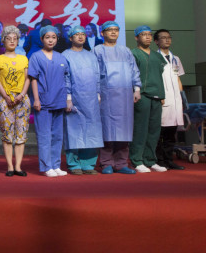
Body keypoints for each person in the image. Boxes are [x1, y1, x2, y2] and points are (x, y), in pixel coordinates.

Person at [94, 21, 141, 174]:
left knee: (124, 130)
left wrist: (137, 88)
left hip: (125, 94)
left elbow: (134, 70)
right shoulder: (97, 50)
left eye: (116, 30)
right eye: (110, 30)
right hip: (106, 94)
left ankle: (121, 163)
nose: (113, 32)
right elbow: (95, 73)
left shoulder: (125, 51)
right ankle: (106, 163)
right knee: (107, 130)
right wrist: (97, 92)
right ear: (102, 33)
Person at [62, 26, 103, 175]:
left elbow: (97, 75)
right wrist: (68, 97)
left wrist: (97, 92)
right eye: (76, 34)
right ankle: (73, 164)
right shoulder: (65, 55)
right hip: (74, 97)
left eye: (82, 34)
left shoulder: (91, 56)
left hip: (91, 98)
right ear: (70, 38)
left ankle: (88, 164)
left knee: (92, 129)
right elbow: (65, 78)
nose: (80, 37)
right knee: (73, 131)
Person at [28, 26, 69, 177]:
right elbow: (33, 78)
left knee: (58, 136)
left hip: (59, 100)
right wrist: (36, 99)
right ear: (41, 39)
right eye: (47, 37)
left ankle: (56, 165)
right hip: (43, 101)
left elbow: (66, 78)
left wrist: (67, 99)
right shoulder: (36, 57)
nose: (50, 40)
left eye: (53, 37)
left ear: (57, 39)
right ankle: (46, 166)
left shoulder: (61, 57)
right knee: (44, 135)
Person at [0, 25, 31, 177]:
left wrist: (22, 95)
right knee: (7, 134)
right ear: (3, 41)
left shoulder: (23, 59)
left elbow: (27, 78)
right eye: (8, 38)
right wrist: (6, 96)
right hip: (5, 99)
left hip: (22, 99)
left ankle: (18, 167)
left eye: (15, 39)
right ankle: (9, 166)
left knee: (21, 134)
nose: (12, 41)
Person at [130, 25, 168, 173]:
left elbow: (159, 75)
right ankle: (137, 160)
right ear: (136, 37)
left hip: (157, 95)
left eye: (150, 34)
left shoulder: (158, 56)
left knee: (154, 130)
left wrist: (162, 95)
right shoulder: (133, 54)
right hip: (142, 95)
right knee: (140, 129)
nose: (147, 37)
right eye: (143, 34)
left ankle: (150, 160)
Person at [154, 29, 186, 170]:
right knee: (159, 132)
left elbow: (177, 78)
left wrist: (182, 98)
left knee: (171, 132)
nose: (167, 40)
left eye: (169, 37)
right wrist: (159, 96)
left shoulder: (175, 58)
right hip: (162, 99)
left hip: (175, 100)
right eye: (163, 37)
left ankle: (169, 160)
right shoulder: (154, 58)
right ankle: (159, 160)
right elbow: (154, 80)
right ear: (156, 41)